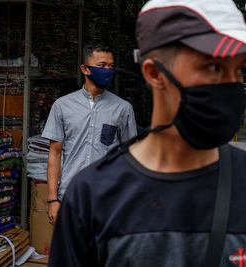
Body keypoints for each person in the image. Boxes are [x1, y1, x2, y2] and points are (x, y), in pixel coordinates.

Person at [49, 0, 246, 266]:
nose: (231, 86)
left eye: (239, 70)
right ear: (154, 73)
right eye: (212, 67)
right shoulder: (92, 197)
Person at [42, 42, 137, 224]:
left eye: (111, 66)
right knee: (72, 251)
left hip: (108, 197)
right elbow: (54, 153)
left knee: (103, 252)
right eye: (102, 66)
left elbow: (130, 156)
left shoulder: (123, 108)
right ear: (85, 69)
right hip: (70, 195)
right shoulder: (62, 106)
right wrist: (53, 199)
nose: (108, 71)